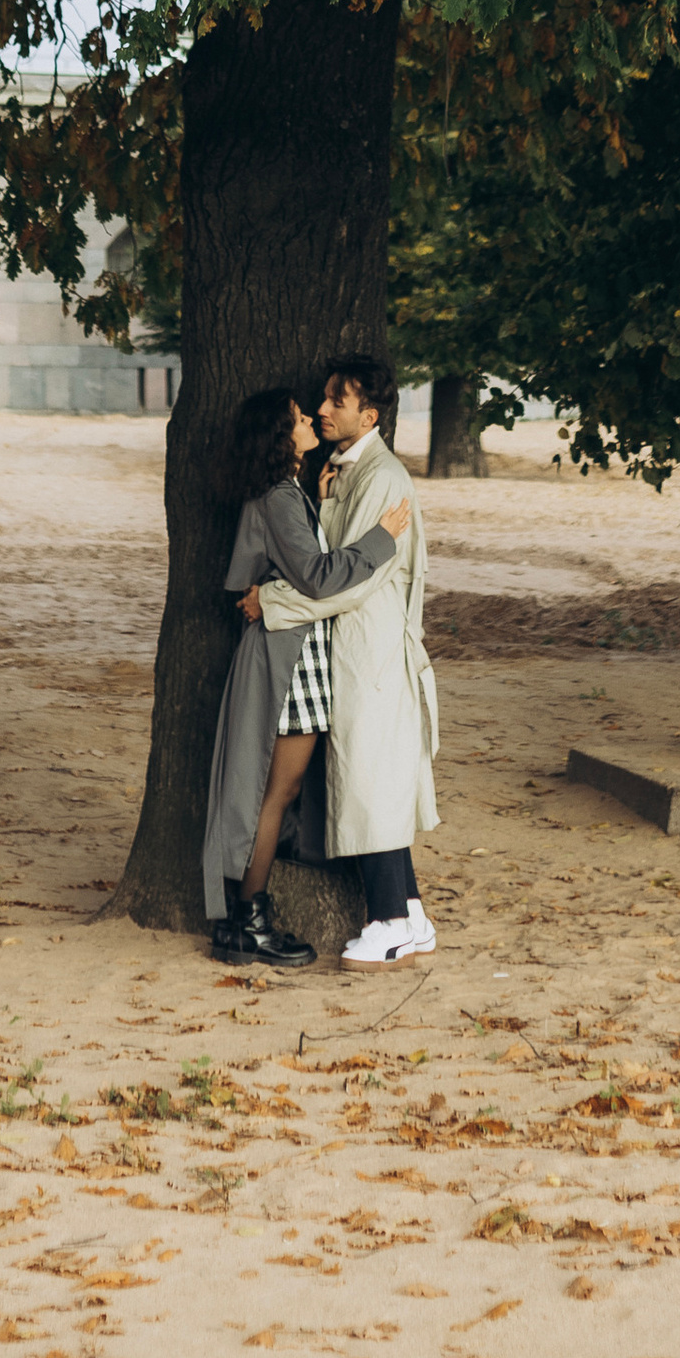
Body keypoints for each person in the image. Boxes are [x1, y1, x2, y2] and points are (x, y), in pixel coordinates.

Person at [201, 387, 413, 967]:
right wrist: (381, 540)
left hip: (294, 655)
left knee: (276, 793)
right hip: (289, 661)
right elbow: (319, 578)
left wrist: (314, 507)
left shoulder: (289, 494)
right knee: (275, 794)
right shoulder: (279, 498)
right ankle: (247, 923)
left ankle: (245, 920)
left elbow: (290, 563)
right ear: (281, 434)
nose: (310, 419)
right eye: (298, 417)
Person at [253, 353, 438, 965]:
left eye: (338, 400)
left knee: (368, 782)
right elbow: (336, 554)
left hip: (371, 647)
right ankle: (408, 912)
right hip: (354, 645)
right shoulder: (347, 470)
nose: (324, 409)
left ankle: (388, 920)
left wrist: (270, 601)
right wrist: (326, 500)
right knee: (369, 780)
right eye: (324, 399)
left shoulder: (382, 477)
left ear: (371, 414)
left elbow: (348, 582)